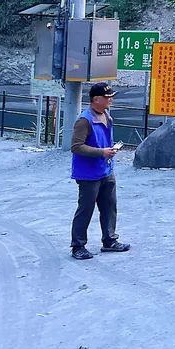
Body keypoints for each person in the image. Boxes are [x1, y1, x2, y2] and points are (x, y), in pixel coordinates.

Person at [70, 83, 131, 260]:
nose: (110, 99)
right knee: (86, 209)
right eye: (107, 97)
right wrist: (101, 152)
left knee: (109, 206)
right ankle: (78, 246)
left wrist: (109, 152)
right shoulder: (84, 120)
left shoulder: (106, 114)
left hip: (106, 169)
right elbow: (76, 146)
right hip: (88, 173)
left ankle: (110, 240)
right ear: (96, 99)